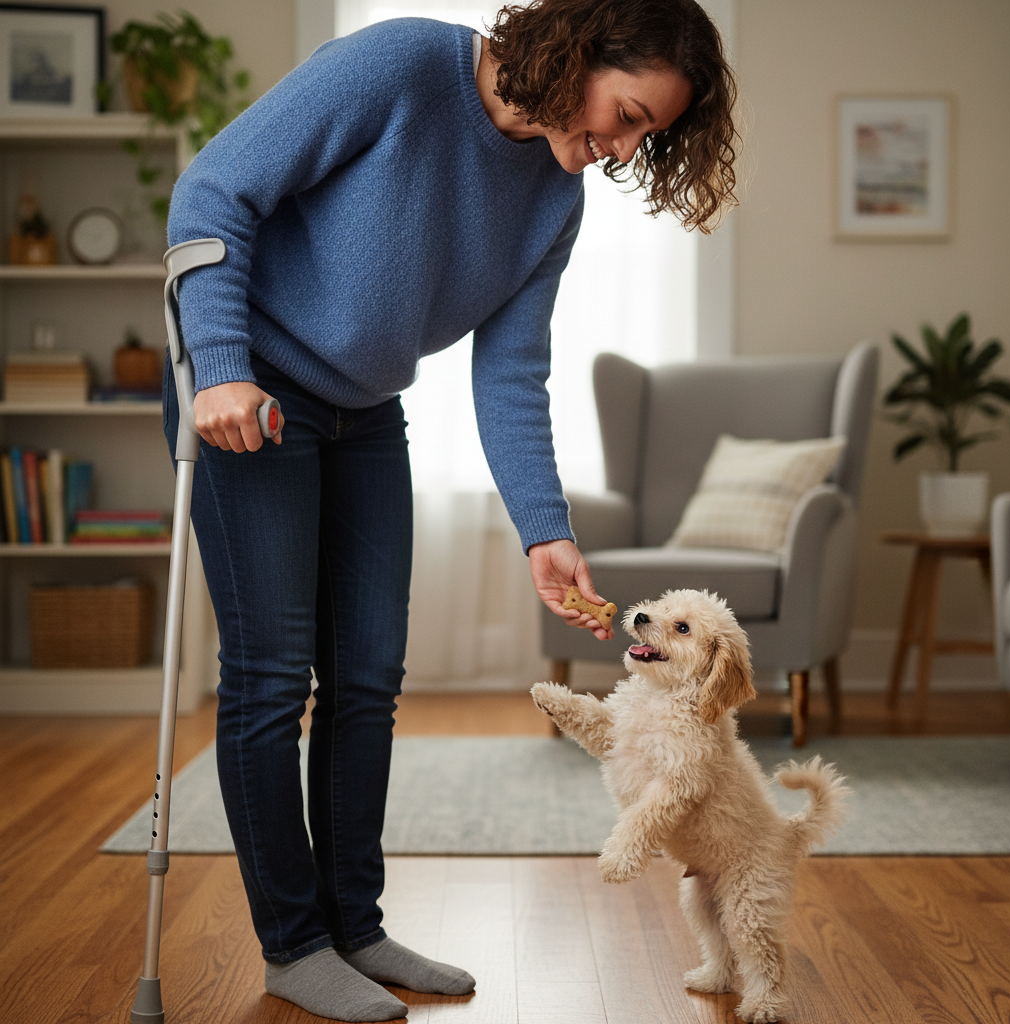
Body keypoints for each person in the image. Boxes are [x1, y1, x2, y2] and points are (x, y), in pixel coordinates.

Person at [164, 0, 738, 1019]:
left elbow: (511, 371)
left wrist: (544, 528)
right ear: (586, 49)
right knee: (267, 677)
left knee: (368, 675)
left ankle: (354, 922)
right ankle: (294, 944)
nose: (618, 146)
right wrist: (217, 365)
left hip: (361, 413)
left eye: (643, 135)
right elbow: (214, 188)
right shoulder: (398, 67)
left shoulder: (554, 203)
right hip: (247, 397)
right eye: (629, 112)